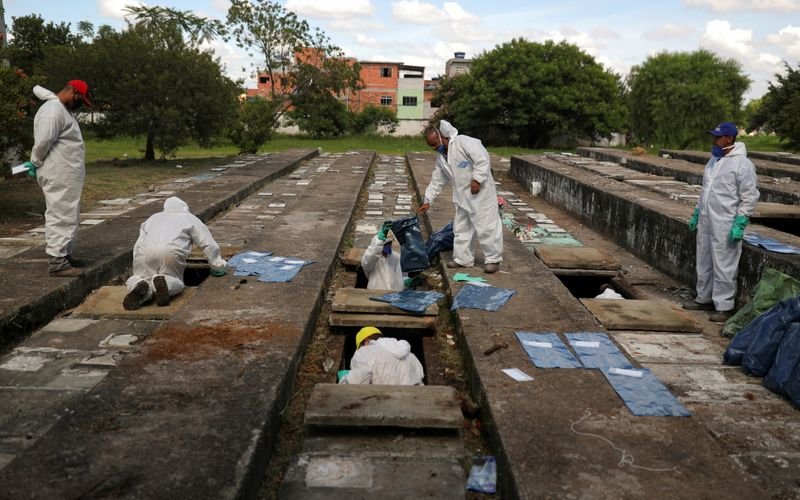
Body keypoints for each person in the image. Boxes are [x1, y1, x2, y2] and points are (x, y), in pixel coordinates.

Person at [683, 122, 759, 323]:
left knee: (724, 264)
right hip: (708, 219)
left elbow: (749, 196)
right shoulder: (713, 161)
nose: (714, 141)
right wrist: (697, 213)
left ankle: (724, 305)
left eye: (718, 137)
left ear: (729, 138)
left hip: (725, 221)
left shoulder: (742, 164)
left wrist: (741, 222)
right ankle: (704, 297)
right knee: (704, 259)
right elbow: (705, 191)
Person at [417, 120, 503, 274]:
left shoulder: (464, 143)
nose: (434, 147)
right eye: (431, 146)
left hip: (480, 194)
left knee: (487, 226)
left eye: (435, 143)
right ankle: (463, 259)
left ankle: (493, 259)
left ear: (443, 136)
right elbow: (437, 180)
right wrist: (428, 200)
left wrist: (477, 179)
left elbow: (482, 158)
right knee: (462, 228)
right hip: (462, 197)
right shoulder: (442, 158)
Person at [30, 80, 93, 277]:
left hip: (65, 173)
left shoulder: (60, 110)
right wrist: (35, 161)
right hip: (58, 172)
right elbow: (43, 141)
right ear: (73, 92)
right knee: (60, 213)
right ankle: (57, 262)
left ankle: (64, 254)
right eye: (80, 99)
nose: (80, 104)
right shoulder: (53, 110)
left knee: (68, 213)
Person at [123, 197, 227, 310]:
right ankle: (165, 284)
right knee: (174, 280)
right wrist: (217, 264)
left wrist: (137, 264)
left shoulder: (153, 218)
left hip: (144, 252)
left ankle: (140, 286)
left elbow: (139, 243)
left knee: (139, 277)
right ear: (185, 208)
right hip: (170, 252)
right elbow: (207, 243)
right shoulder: (189, 218)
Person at [339, 326, 424, 385]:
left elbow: (358, 382)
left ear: (366, 341)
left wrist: (345, 379)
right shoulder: (411, 356)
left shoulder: (363, 352)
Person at [360, 221, 404, 290]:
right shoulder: (373, 257)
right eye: (385, 243)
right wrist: (379, 240)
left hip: (392, 296)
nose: (387, 245)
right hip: (374, 294)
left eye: (389, 243)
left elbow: (399, 278)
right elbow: (367, 262)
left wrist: (406, 283)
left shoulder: (396, 257)